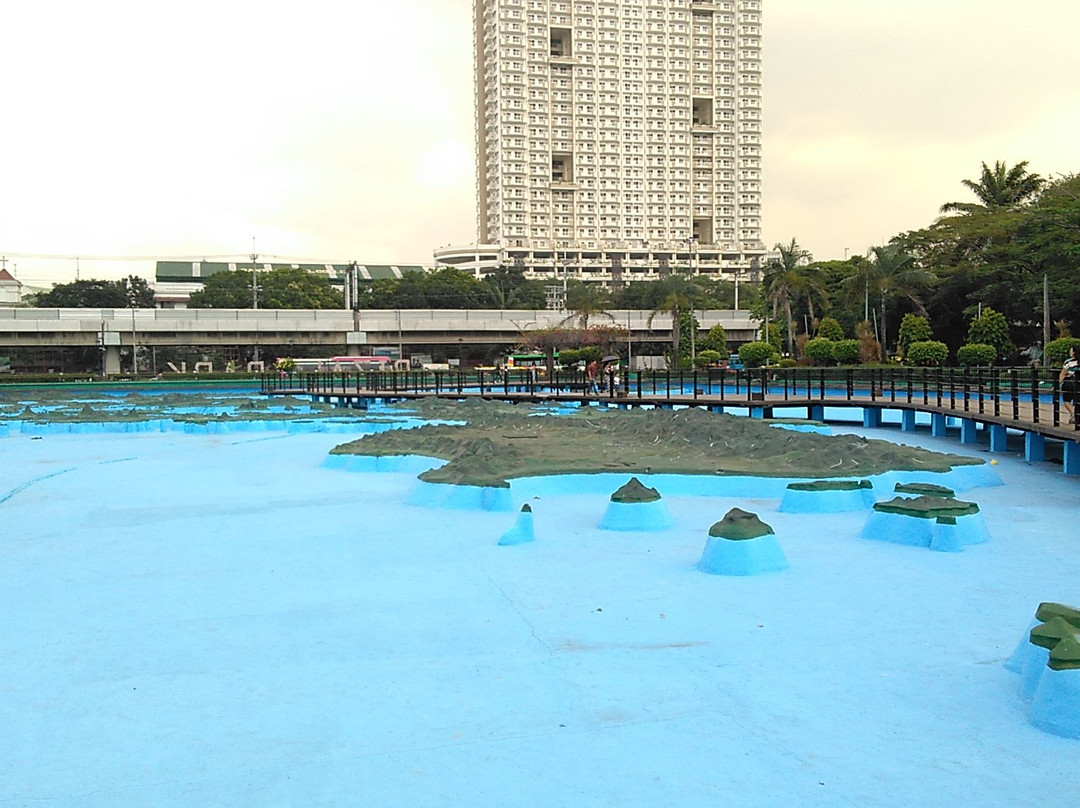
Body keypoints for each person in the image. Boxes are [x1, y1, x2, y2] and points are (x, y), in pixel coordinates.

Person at [1060, 346, 1078, 423]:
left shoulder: (1068, 362)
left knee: (1066, 400)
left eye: (1071, 351)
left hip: (1069, 383)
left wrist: (1060, 382)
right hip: (1077, 382)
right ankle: (1074, 415)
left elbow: (1063, 373)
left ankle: (1073, 413)